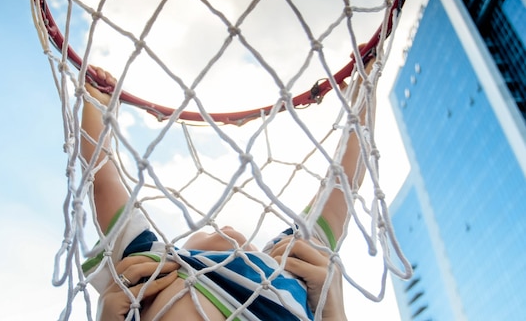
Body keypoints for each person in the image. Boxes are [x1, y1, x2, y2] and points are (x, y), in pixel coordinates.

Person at [80, 52, 376, 321]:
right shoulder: (291, 269)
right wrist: (362, 105)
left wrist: (96, 106)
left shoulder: (147, 273)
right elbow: (343, 187)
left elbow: (103, 181)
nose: (225, 229)